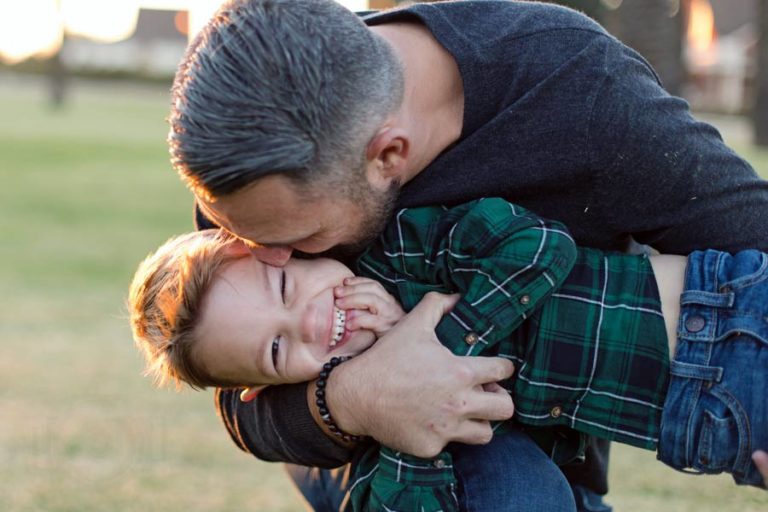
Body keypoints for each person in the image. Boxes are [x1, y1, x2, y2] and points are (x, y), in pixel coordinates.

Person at [167, 0, 768, 509]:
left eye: (300, 242)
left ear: (388, 156)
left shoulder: (580, 92)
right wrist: (354, 399)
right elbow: (235, 389)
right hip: (363, 451)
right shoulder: (257, 155)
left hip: (555, 410)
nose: (273, 258)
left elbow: (753, 233)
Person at [128, 199, 768, 511]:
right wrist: (406, 415)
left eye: (289, 291)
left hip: (729, 317)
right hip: (706, 429)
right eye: (276, 348)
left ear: (276, 252)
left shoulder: (405, 249)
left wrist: (432, 343)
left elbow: (539, 246)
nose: (312, 324)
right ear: (263, 388)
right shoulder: (369, 400)